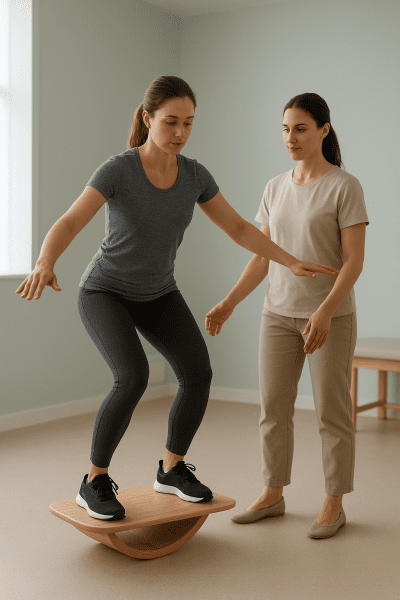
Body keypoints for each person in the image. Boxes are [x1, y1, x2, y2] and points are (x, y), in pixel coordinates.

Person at [16, 76, 368, 539]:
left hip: (159, 292)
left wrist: (289, 260)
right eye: (170, 122)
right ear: (147, 119)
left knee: (198, 373)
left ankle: (172, 469)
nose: (180, 132)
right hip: (106, 291)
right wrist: (45, 260)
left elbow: (242, 230)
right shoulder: (118, 170)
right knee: (133, 376)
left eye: (188, 123)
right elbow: (70, 219)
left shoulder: (195, 176)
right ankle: (95, 480)